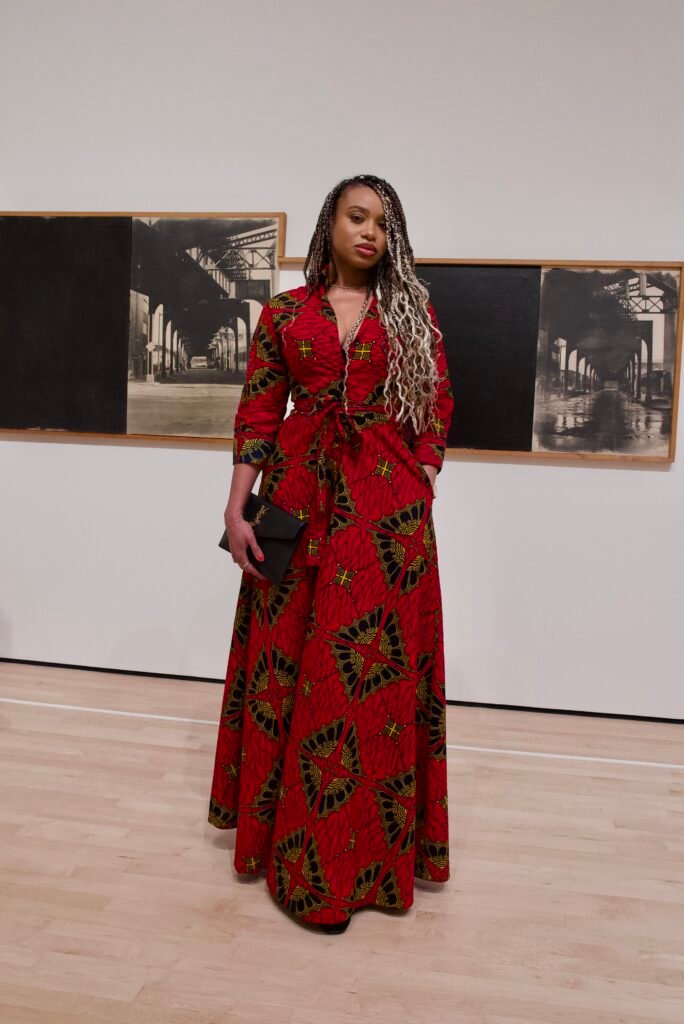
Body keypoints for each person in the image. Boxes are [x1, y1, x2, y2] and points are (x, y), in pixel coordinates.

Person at [208, 173, 454, 934]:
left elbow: (437, 402)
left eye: (383, 222)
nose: (370, 233)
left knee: (362, 677)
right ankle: (289, 854)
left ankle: (358, 863)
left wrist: (424, 480)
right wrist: (235, 503)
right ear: (331, 222)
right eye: (357, 217)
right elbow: (258, 405)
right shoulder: (286, 312)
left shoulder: (411, 314)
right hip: (295, 494)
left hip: (384, 511)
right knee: (287, 664)